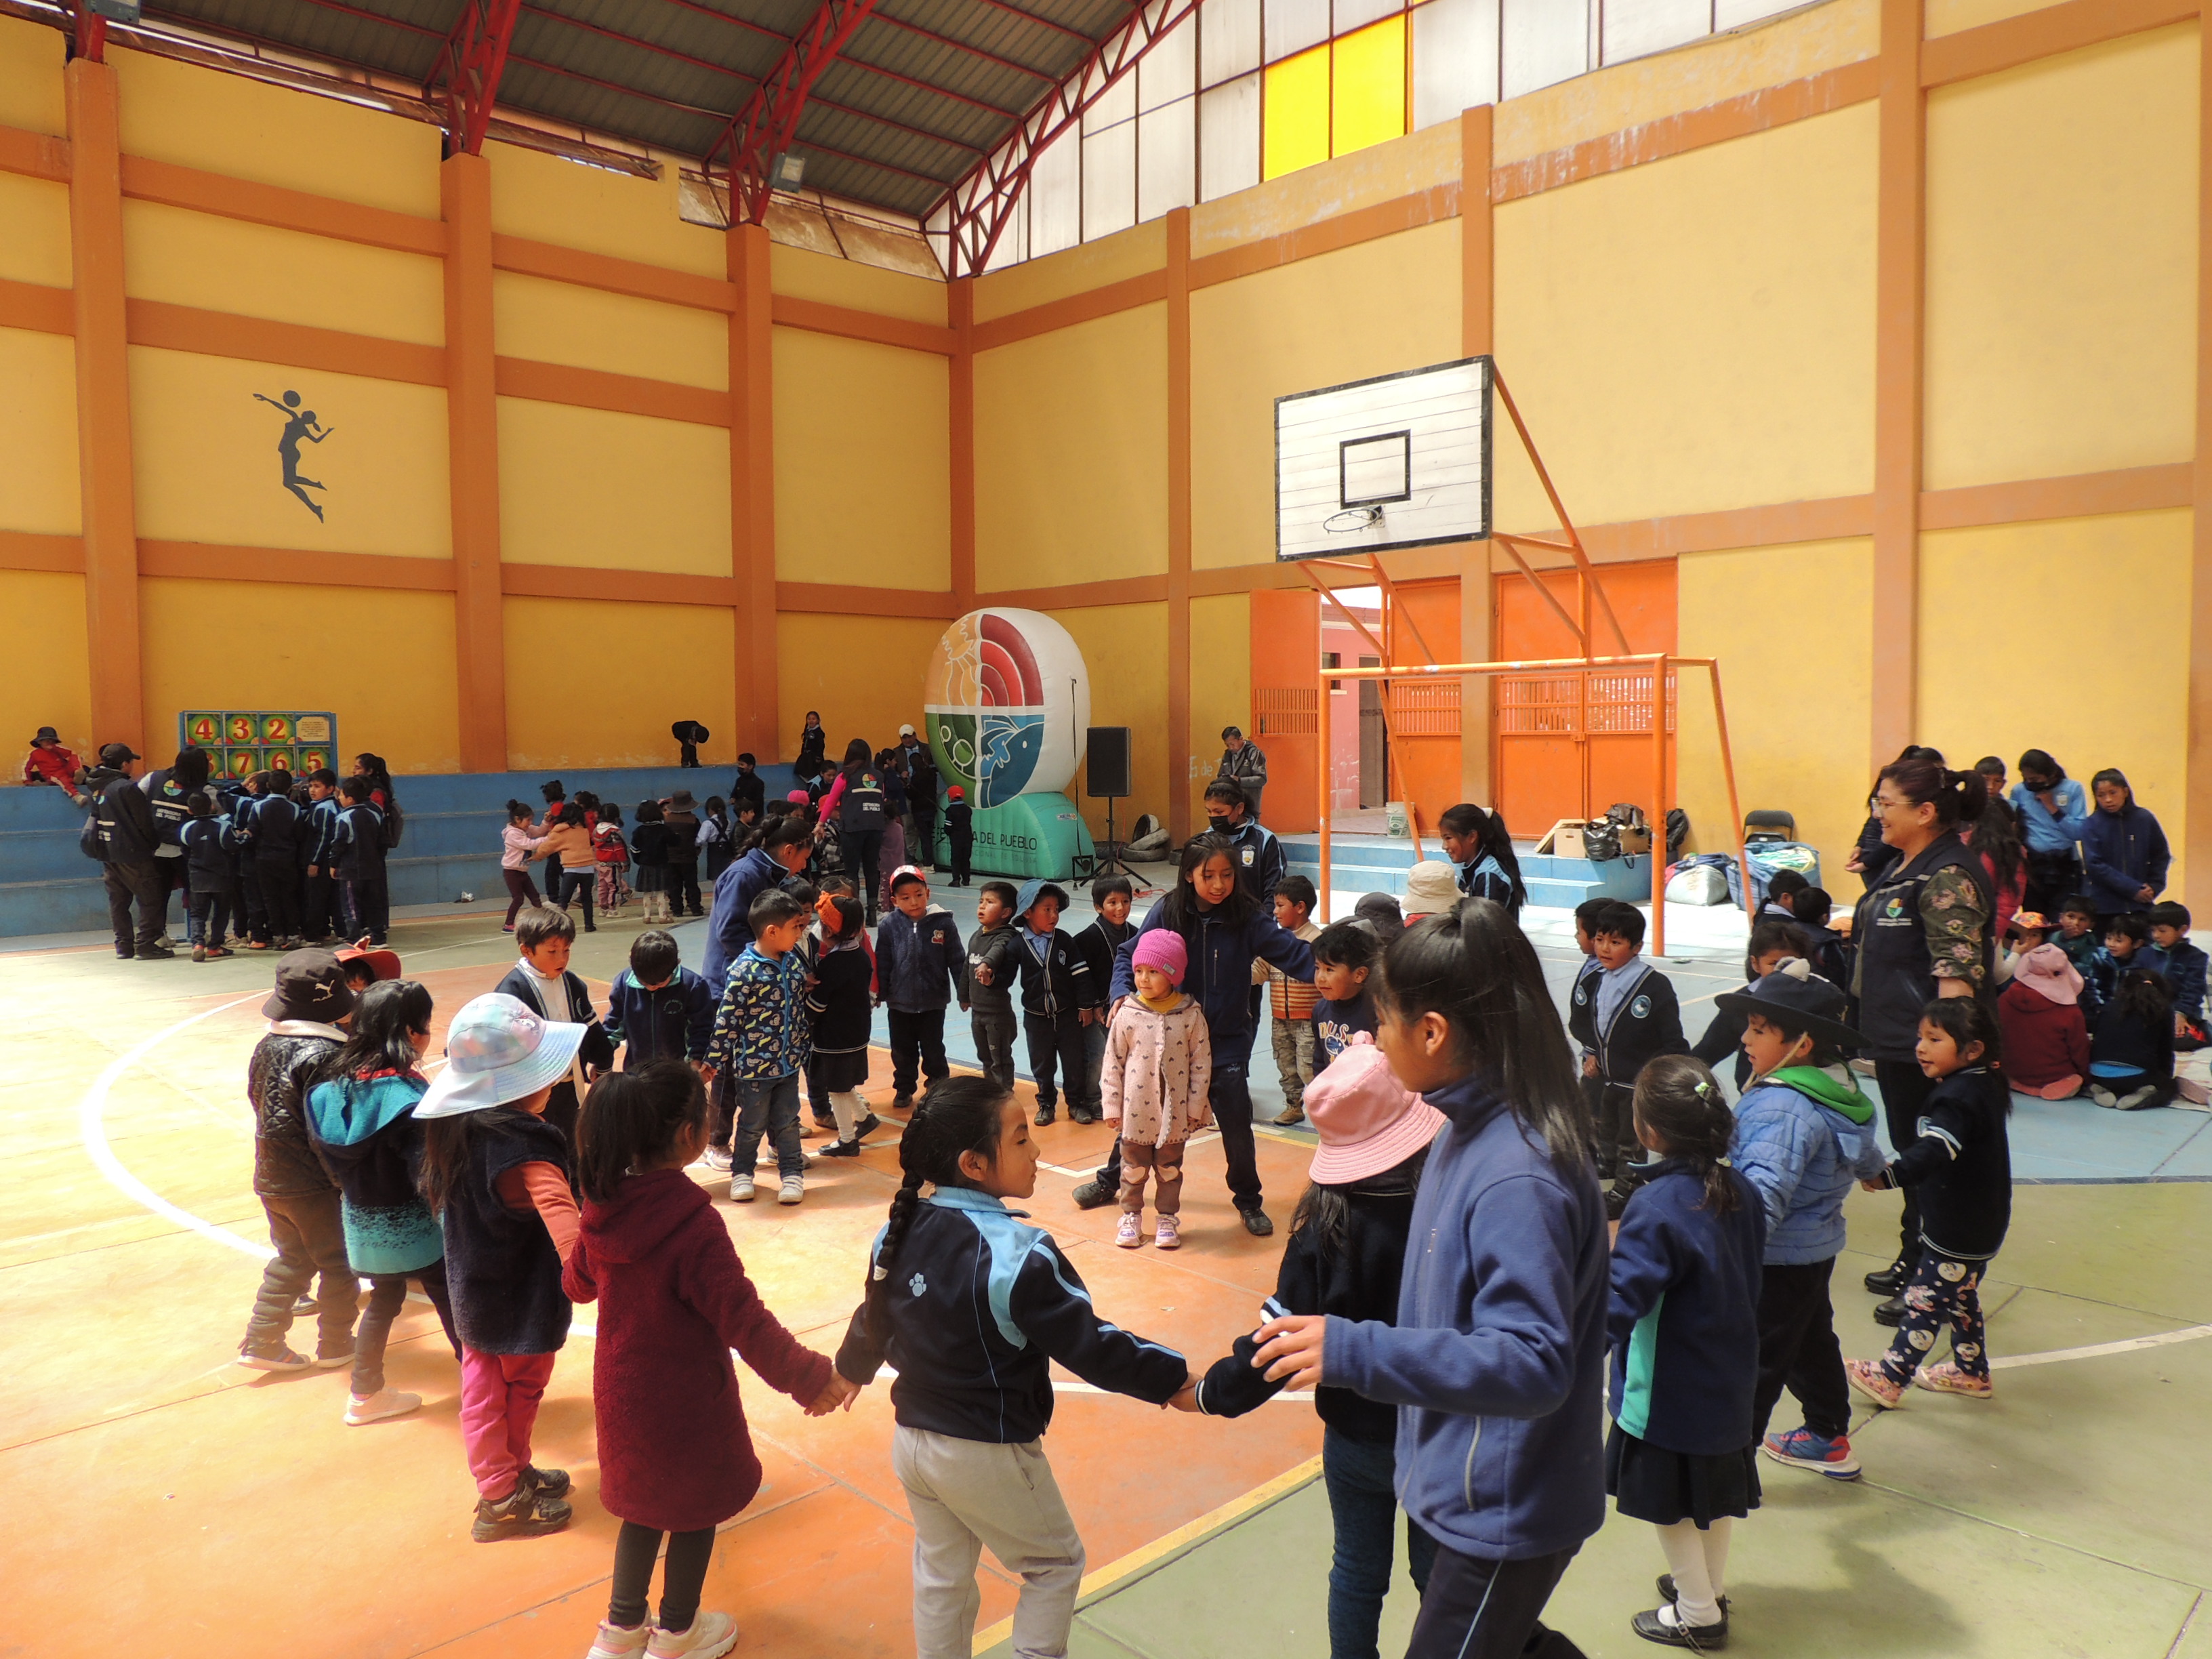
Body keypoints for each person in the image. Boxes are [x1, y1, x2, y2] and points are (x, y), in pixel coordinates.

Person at [1251, 899, 1606, 1659]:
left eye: (1382, 1021)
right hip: (1467, 1481)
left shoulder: (1517, 1172)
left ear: (1434, 1032)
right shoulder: (1459, 1129)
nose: (1373, 1038)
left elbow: (1536, 1360)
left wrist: (1358, 1351)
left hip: (1502, 1502)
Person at [832, 1078, 1193, 1659]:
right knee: (1055, 1565)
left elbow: (875, 1314)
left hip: (912, 1446)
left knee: (942, 1574)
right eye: (1021, 1140)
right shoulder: (1018, 1252)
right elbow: (1093, 1346)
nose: (1038, 1152)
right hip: (985, 1449)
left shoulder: (894, 1233)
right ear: (973, 1165)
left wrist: (849, 1370)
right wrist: (1174, 1378)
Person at [569, 1062, 851, 1659]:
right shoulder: (692, 1223)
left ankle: (620, 1631)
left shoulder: (602, 1204)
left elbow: (576, 1285)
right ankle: (676, 1632)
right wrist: (809, 1377)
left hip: (621, 1394)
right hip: (686, 1400)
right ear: (685, 1137)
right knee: (693, 1511)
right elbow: (742, 1319)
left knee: (642, 1508)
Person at [1195, 1038, 1442, 1659]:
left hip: (1357, 1437)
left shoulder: (1323, 1226)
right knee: (1442, 1583)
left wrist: (1209, 1391)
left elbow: (1274, 1346)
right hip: (1442, 1436)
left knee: (1356, 1574)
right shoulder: (1450, 1208)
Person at [413, 993, 587, 1542]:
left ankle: (508, 1476)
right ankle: (501, 1498)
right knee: (516, 1393)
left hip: (476, 1291)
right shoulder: (527, 1146)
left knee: (484, 1392)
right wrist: (588, 1275)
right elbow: (561, 1214)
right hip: (521, 1296)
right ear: (518, 1084)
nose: (554, 1084)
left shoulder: (460, 1130)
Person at [1606, 1055, 1765, 1649]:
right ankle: (1708, 1588)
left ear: (1648, 1132)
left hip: (1667, 1390)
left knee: (1667, 1503)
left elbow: (1620, 1303)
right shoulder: (1741, 1190)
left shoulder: (1658, 1206)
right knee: (1713, 1494)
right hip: (1729, 1378)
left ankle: (1699, 1612)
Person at [1077, 836, 1314, 1233]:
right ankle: (1110, 1182)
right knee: (1141, 1120)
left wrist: (1338, 970)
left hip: (1226, 1044)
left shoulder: (1249, 918)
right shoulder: (1169, 911)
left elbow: (1297, 956)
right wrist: (1120, 993)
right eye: (1208, 875)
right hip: (1166, 1043)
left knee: (1237, 1127)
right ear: (1189, 875)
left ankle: (1248, 1201)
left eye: (1227, 875)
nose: (1219, 884)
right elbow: (1128, 955)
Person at [1715, 958, 1885, 1484]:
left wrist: (1721, 1256)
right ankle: (1829, 1434)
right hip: (1813, 1250)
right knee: (1811, 1340)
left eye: (1759, 1030)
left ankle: (1726, 1470)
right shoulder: (1840, 1091)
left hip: (1775, 1256)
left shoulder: (1782, 1107)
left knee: (1756, 1363)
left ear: (1803, 1044)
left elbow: (1762, 1198)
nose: (1745, 1038)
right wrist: (1877, 1173)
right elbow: (1866, 1158)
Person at [1850, 755, 1991, 1324]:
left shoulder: (1946, 876)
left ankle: (1932, 1283)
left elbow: (1956, 981)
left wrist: (1944, 1057)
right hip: (1897, 1042)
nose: (1878, 815)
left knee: (1932, 1161)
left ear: (1926, 812)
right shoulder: (1905, 863)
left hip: (1928, 1052)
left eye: (1887, 805)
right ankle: (1914, 1260)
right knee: (1915, 1153)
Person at [305, 977, 459, 1427]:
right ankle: (483, 1379)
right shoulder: (408, 1100)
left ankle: (365, 1392)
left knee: (381, 1302)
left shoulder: (327, 1091)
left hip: (362, 1224)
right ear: (413, 1033)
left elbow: (327, 1163)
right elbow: (428, 1177)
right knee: (451, 1297)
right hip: (417, 1229)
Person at [1847, 996, 2012, 1406]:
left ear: (1972, 1050)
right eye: (1921, 1037)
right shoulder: (1979, 1084)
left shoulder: (1957, 1098)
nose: (1920, 1047)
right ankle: (1971, 1372)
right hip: (1979, 1222)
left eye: (1934, 1039)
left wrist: (1889, 1175)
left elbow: (1937, 1150)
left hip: (1959, 1225)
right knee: (1960, 1298)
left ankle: (1891, 1375)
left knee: (1924, 1300)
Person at [236, 949, 362, 1371]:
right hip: (313, 1183)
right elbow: (327, 1130)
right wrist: (346, 1182)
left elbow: (259, 1102)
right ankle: (338, 1344)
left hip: (271, 1174)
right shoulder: (324, 1055)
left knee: (294, 1257)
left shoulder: (267, 1045)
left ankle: (262, 1339)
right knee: (340, 1262)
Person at [1568, 901, 1688, 1218]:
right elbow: (1595, 1024)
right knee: (1606, 1129)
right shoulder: (1598, 978)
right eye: (1600, 940)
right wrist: (1592, 1052)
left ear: (1636, 947)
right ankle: (1607, 1166)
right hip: (1609, 1077)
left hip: (1636, 1081)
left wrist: (1655, 1075)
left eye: (1616, 942)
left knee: (1630, 1139)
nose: (1605, 949)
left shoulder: (1653, 985)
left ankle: (1628, 1187)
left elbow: (1673, 1039)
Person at [1100, 930, 1212, 1248]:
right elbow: (1113, 1063)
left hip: (1175, 1117)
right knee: (1132, 1168)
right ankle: (1131, 1215)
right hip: (1136, 1114)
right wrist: (1111, 1106)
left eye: (1154, 972)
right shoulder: (1128, 1013)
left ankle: (1166, 1218)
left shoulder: (1190, 1015)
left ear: (1173, 976)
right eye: (1138, 971)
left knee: (1169, 1169)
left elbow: (1201, 1065)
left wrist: (1194, 1108)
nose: (1143, 979)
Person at [705, 888, 814, 1205]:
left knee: (788, 1122)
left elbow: (798, 1012)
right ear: (772, 931)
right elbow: (728, 1021)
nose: (801, 931)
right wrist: (713, 1061)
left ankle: (792, 1174)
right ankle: (742, 1174)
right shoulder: (743, 971)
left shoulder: (793, 963)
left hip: (788, 1066)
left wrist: (801, 1048)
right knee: (751, 1125)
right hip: (753, 1070)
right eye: (796, 927)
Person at [493, 906, 615, 1149]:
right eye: (552, 951)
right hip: (535, 1093)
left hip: (572, 1085)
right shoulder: (512, 992)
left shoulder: (573, 984)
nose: (562, 958)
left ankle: (577, 1187)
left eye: (567, 950)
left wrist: (603, 1064)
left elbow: (590, 1028)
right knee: (541, 1146)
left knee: (575, 1145)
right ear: (527, 951)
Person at [877, 867, 968, 1113]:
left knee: (934, 1047)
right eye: (905, 898)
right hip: (899, 1002)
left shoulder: (943, 923)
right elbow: (883, 961)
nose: (913, 902)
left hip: (933, 1001)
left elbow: (957, 959)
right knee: (902, 1050)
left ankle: (938, 1084)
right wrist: (880, 992)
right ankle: (904, 1087)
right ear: (894, 900)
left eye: (918, 894)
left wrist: (964, 992)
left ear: (928, 893)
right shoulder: (889, 926)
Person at [1691, 918, 1809, 1094]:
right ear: (1755, 964)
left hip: (1804, 1090)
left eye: (1790, 963)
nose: (1782, 970)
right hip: (1754, 1091)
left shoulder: (1814, 1000)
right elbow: (1709, 1050)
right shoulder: (1740, 1004)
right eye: (1773, 964)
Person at [1011, 878, 1093, 1126]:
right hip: (1036, 1019)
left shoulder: (1065, 941)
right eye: (1046, 909)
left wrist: (1086, 1005)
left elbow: (1082, 974)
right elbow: (1003, 974)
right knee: (1042, 1065)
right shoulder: (1017, 945)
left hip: (1068, 1016)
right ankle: (1046, 1104)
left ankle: (1076, 1104)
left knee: (1074, 1062)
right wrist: (988, 973)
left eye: (1056, 909)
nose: (1054, 915)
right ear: (1028, 912)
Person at [701, 814, 813, 990]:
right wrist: (770, 966)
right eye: (805, 858)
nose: (805, 866)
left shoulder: (771, 876)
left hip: (756, 980)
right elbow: (731, 933)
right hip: (730, 984)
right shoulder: (744, 875)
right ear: (789, 851)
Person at [808, 896, 882, 1158]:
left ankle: (847, 1140)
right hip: (858, 1031)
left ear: (829, 930)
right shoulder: (861, 957)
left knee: (836, 1089)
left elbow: (818, 1003)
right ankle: (864, 1118)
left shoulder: (833, 964)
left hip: (835, 1037)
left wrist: (803, 1012)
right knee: (844, 1081)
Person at [605, 929, 716, 1071]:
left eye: (659, 984)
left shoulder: (693, 986)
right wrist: (603, 1061)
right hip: (637, 1071)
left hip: (678, 1073)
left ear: (676, 964)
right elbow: (614, 1026)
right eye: (644, 983)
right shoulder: (623, 982)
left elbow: (700, 1029)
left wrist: (695, 1064)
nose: (652, 987)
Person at [1261, 873, 1324, 1125]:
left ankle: (1323, 1105)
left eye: (1280, 906)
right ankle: (1293, 1105)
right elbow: (1259, 971)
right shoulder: (1272, 944)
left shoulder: (1317, 941)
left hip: (1308, 1017)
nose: (1275, 912)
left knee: (1308, 1066)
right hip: (1280, 1017)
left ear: (1300, 907)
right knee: (1287, 1066)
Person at [1076, 875, 1139, 1115]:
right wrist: (1092, 1006)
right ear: (1098, 907)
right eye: (1112, 902)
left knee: (1126, 1055)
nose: (1120, 908)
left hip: (1126, 1008)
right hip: (1095, 1010)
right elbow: (1082, 978)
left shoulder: (1136, 934)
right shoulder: (1086, 939)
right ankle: (1090, 1099)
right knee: (1096, 1055)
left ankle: (1121, 1097)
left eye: (1125, 901)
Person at [1843, 745, 1944, 890]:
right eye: (1881, 803)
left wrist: (1866, 862)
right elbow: (1874, 821)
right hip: (1877, 853)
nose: (1877, 813)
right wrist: (1862, 850)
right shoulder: (1896, 785)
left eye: (1887, 804)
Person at [1997, 943, 2089, 1100]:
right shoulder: (2069, 1011)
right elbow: (2080, 1050)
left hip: (2012, 1071)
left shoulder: (2004, 999)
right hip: (2053, 1077)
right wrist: (2087, 1077)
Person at [2082, 768, 2171, 926]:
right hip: (2105, 907)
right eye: (2101, 795)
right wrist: (2132, 889)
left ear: (2125, 791)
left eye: (2113, 792)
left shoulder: (2144, 819)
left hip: (2141, 907)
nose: (2108, 800)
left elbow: (2161, 855)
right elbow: (2095, 865)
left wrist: (2154, 887)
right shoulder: (2092, 825)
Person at [2011, 750, 2091, 916]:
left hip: (2064, 866)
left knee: (2061, 919)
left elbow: (2078, 832)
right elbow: (2014, 825)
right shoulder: (2019, 792)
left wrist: (2052, 808)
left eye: (2035, 779)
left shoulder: (2073, 789)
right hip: (2033, 866)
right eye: (2026, 778)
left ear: (2050, 775)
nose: (2029, 782)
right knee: (2033, 920)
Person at [2088, 967, 2178, 1110]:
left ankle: (2101, 1089)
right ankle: (2141, 1095)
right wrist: (2163, 1078)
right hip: (2137, 1077)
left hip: (2097, 1073)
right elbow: (2166, 1050)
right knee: (2172, 1087)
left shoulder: (2109, 1007)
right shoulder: (2163, 1010)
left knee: (2118, 1073)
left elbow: (2098, 1039)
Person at [966, 880, 1023, 1092]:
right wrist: (964, 995)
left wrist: (987, 963)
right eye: (981, 901)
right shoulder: (976, 936)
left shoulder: (1007, 935)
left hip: (997, 1014)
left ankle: (1004, 1093)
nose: (982, 906)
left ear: (1005, 912)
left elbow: (998, 950)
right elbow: (967, 967)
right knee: (985, 1056)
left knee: (999, 1057)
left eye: (990, 902)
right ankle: (991, 1091)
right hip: (977, 1011)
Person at [827, 741, 889, 923]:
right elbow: (881, 798)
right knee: (872, 870)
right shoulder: (878, 776)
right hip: (875, 826)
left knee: (852, 872)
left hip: (853, 827)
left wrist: (820, 824)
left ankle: (854, 913)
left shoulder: (845, 776)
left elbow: (831, 801)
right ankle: (872, 912)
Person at [180, 791, 245, 960]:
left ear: (190, 811)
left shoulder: (186, 828)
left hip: (198, 878)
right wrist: (244, 837)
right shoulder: (223, 826)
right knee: (222, 912)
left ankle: (198, 944)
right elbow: (233, 847)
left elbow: (186, 851)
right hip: (221, 877)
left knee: (197, 914)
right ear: (212, 806)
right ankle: (215, 946)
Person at [1310, 919, 1380, 1068]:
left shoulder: (1377, 1012)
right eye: (1317, 968)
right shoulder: (1320, 1010)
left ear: (1359, 974)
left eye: (1329, 970)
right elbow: (1319, 1059)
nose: (1320, 978)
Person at [1438, 802, 1528, 918]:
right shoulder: (1465, 869)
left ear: (1472, 837)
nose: (1444, 847)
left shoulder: (1488, 875)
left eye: (1448, 838)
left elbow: (1484, 927)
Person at [1203, 777, 1285, 903]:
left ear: (1239, 808)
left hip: (1255, 919)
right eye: (1209, 812)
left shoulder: (1265, 840)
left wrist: (1265, 922)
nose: (1213, 817)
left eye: (1219, 812)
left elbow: (1274, 890)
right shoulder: (1204, 841)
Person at [331, 777, 389, 945]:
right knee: (373, 904)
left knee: (351, 906)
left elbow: (339, 843)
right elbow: (383, 842)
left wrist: (333, 864)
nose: (339, 798)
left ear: (350, 799)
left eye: (341, 795)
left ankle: (353, 938)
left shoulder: (344, 818)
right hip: (373, 869)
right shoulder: (375, 814)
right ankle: (379, 937)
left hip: (351, 870)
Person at [1963, 792, 2025, 945]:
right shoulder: (2013, 851)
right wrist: (1992, 938)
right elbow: (2008, 902)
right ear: (2011, 825)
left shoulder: (1957, 842)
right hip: (1984, 929)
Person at [2148, 901, 2207, 1046]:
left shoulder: (2196, 957)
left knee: (2180, 1039)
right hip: (2148, 1010)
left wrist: (2181, 1013)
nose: (2156, 935)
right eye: (2153, 930)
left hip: (2179, 1012)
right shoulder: (2144, 954)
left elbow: (2194, 990)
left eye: (2162, 931)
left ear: (2183, 930)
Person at [298, 768, 346, 945]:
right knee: (332, 898)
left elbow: (324, 838)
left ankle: (312, 936)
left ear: (331, 789)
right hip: (330, 861)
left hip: (322, 861)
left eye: (317, 786)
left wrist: (314, 862)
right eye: (311, 786)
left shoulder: (324, 809)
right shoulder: (326, 806)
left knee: (316, 898)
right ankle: (333, 931)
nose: (312, 790)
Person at [499, 800, 550, 932]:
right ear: (517, 819)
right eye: (528, 820)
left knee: (534, 896)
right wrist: (550, 838)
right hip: (512, 871)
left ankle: (542, 919)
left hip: (522, 871)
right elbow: (529, 845)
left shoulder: (526, 829)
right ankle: (508, 924)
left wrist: (546, 822)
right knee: (518, 898)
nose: (530, 823)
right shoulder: (512, 834)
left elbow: (539, 832)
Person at [661, 790, 705, 920]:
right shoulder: (693, 820)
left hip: (671, 858)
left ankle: (677, 909)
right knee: (691, 884)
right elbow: (699, 838)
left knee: (674, 885)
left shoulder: (668, 821)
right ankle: (695, 908)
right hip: (689, 857)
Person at [629, 800, 672, 926]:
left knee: (647, 892)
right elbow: (674, 841)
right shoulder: (663, 829)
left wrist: (639, 860)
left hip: (645, 865)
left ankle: (647, 916)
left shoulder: (638, 831)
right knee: (660, 892)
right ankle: (662, 916)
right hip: (661, 863)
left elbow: (634, 849)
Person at [1217, 724, 1268, 821]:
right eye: (1227, 745)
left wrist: (1239, 781)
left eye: (1233, 744)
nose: (1231, 748)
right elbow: (1220, 775)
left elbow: (1261, 779)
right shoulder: (1228, 755)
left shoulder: (1254, 754)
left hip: (1249, 804)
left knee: (1250, 832)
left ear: (1241, 739)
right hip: (1231, 804)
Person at [593, 801, 632, 920]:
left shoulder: (596, 830)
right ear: (616, 816)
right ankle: (612, 910)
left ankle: (603, 908)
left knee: (602, 886)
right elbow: (619, 849)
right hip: (613, 864)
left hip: (601, 864)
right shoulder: (614, 831)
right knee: (614, 887)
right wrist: (625, 863)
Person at [22, 725, 83, 798]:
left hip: (66, 772)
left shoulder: (58, 748)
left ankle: (77, 775)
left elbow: (72, 754)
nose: (50, 742)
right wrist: (27, 781)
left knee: (75, 755)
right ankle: (76, 796)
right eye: (46, 740)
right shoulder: (34, 754)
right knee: (62, 779)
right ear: (39, 742)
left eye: (52, 740)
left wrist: (76, 768)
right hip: (53, 776)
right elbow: (26, 768)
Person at [697, 795, 735, 883]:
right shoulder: (728, 822)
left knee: (716, 879)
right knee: (727, 877)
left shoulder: (708, 823)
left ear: (710, 809)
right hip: (727, 850)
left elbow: (701, 840)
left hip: (714, 852)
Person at [943, 784, 973, 886]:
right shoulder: (968, 809)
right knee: (966, 858)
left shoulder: (950, 811)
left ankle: (956, 879)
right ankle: (966, 879)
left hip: (956, 838)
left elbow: (948, 827)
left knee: (956, 858)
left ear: (950, 797)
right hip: (968, 836)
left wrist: (947, 832)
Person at [793, 710, 827, 783]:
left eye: (813, 719)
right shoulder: (808, 730)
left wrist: (818, 756)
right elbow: (805, 742)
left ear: (818, 721)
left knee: (813, 771)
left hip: (814, 756)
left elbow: (821, 745)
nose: (811, 721)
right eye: (809, 719)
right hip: (806, 755)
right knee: (799, 770)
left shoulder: (818, 732)